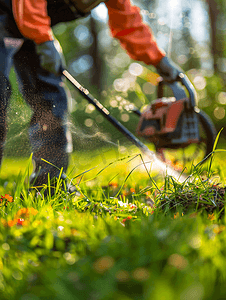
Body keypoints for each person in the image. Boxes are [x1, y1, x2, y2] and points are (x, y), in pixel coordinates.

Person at [0, 0, 182, 193]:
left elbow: (128, 24)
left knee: (52, 100)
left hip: (31, 25)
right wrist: (43, 38)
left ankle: (49, 186)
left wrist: (159, 61)